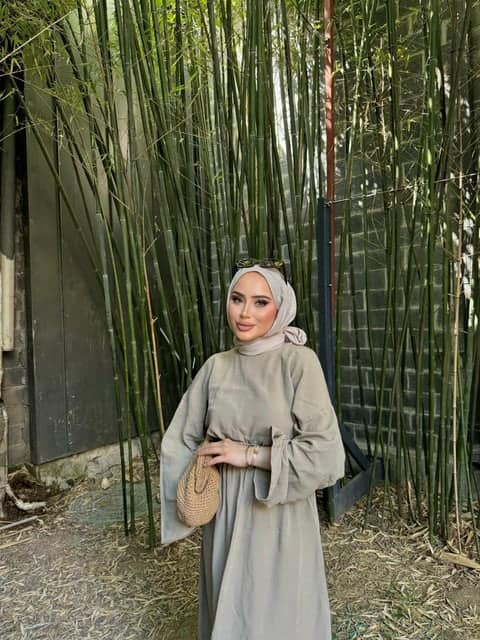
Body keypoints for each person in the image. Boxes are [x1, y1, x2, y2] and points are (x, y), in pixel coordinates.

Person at [160, 260, 345, 640]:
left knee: (279, 608)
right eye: (237, 299)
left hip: (279, 507)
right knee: (231, 602)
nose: (245, 313)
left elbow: (326, 453)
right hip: (226, 508)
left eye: (260, 302)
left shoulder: (298, 362)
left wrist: (248, 455)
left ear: (281, 307)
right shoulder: (216, 367)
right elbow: (180, 439)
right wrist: (192, 487)